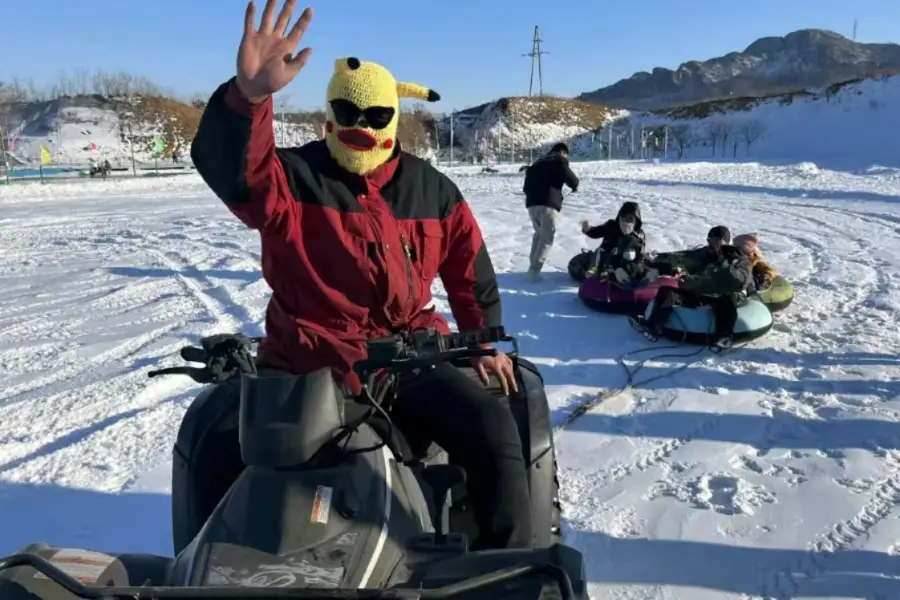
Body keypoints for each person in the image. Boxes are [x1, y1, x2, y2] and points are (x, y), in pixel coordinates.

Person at [188, 0, 531, 550]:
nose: (360, 127)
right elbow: (237, 175)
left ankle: (510, 570)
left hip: (407, 357)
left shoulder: (432, 189)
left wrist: (484, 341)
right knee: (220, 448)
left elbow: (470, 272)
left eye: (374, 117)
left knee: (493, 432)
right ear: (330, 117)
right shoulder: (294, 179)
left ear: (393, 119)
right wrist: (247, 99)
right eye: (347, 115)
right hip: (308, 363)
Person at [638, 225, 753, 344]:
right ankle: (654, 328)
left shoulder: (737, 260)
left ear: (726, 242)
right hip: (699, 294)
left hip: (720, 297)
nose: (713, 244)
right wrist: (655, 259)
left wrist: (723, 263)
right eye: (710, 240)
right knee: (666, 292)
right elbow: (682, 257)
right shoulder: (704, 254)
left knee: (728, 301)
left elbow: (739, 281)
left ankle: (723, 338)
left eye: (717, 240)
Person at [523, 142, 579, 282]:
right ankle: (534, 273)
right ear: (563, 152)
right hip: (548, 204)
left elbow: (525, 187)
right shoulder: (559, 160)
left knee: (539, 234)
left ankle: (532, 266)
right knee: (546, 238)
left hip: (531, 204)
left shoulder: (537, 163)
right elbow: (573, 180)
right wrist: (573, 186)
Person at [579, 201, 647, 283]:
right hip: (602, 259)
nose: (627, 222)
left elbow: (641, 253)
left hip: (624, 263)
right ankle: (594, 272)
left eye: (630, 219)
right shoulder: (611, 226)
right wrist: (588, 229)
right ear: (619, 217)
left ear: (636, 221)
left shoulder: (638, 234)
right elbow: (597, 232)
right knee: (596, 253)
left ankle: (624, 277)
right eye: (624, 217)